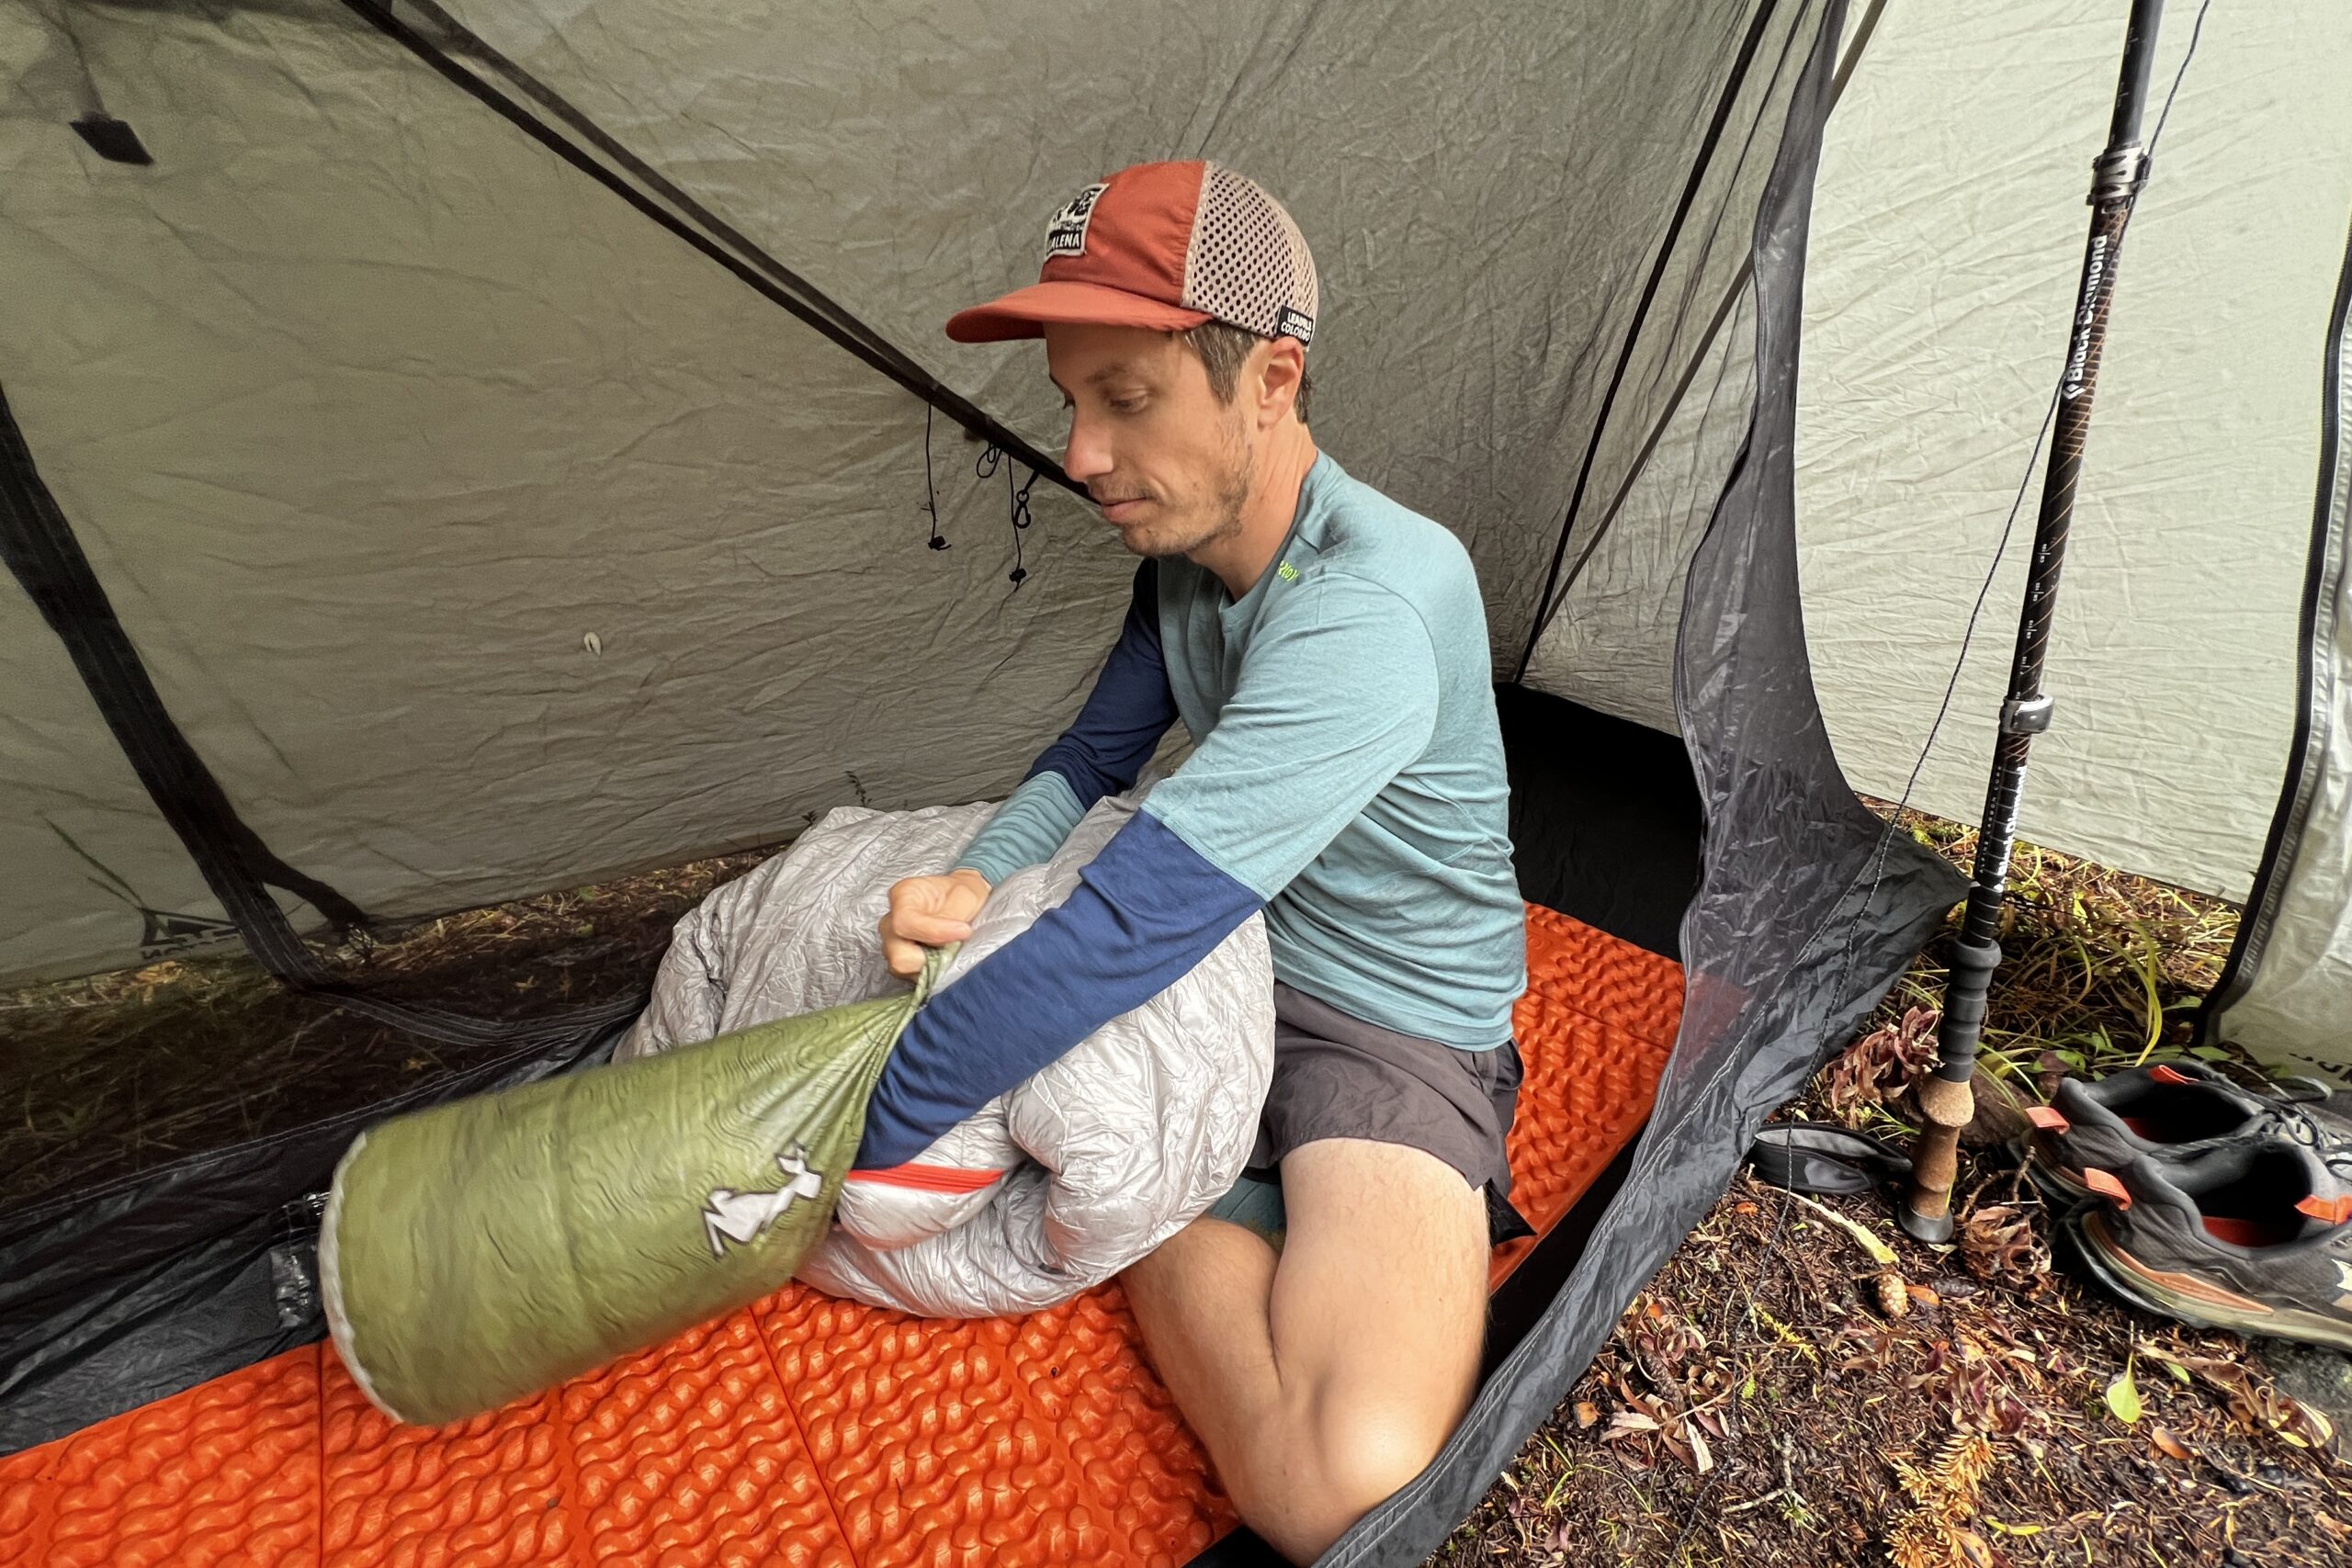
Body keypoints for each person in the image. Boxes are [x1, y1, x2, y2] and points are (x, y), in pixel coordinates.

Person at [854, 160, 1527, 1564]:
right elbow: (1093, 758)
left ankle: (1178, 1206)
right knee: (1092, 1058)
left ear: (1270, 380)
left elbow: (1128, 926)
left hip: (1390, 1028)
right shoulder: (1182, 557)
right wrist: (974, 882)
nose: (1081, 456)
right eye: (1072, 404)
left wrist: (863, 1117)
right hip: (1231, 957)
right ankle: (1196, 1194)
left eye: (1127, 399)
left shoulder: (1377, 602)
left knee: (1341, 1484)